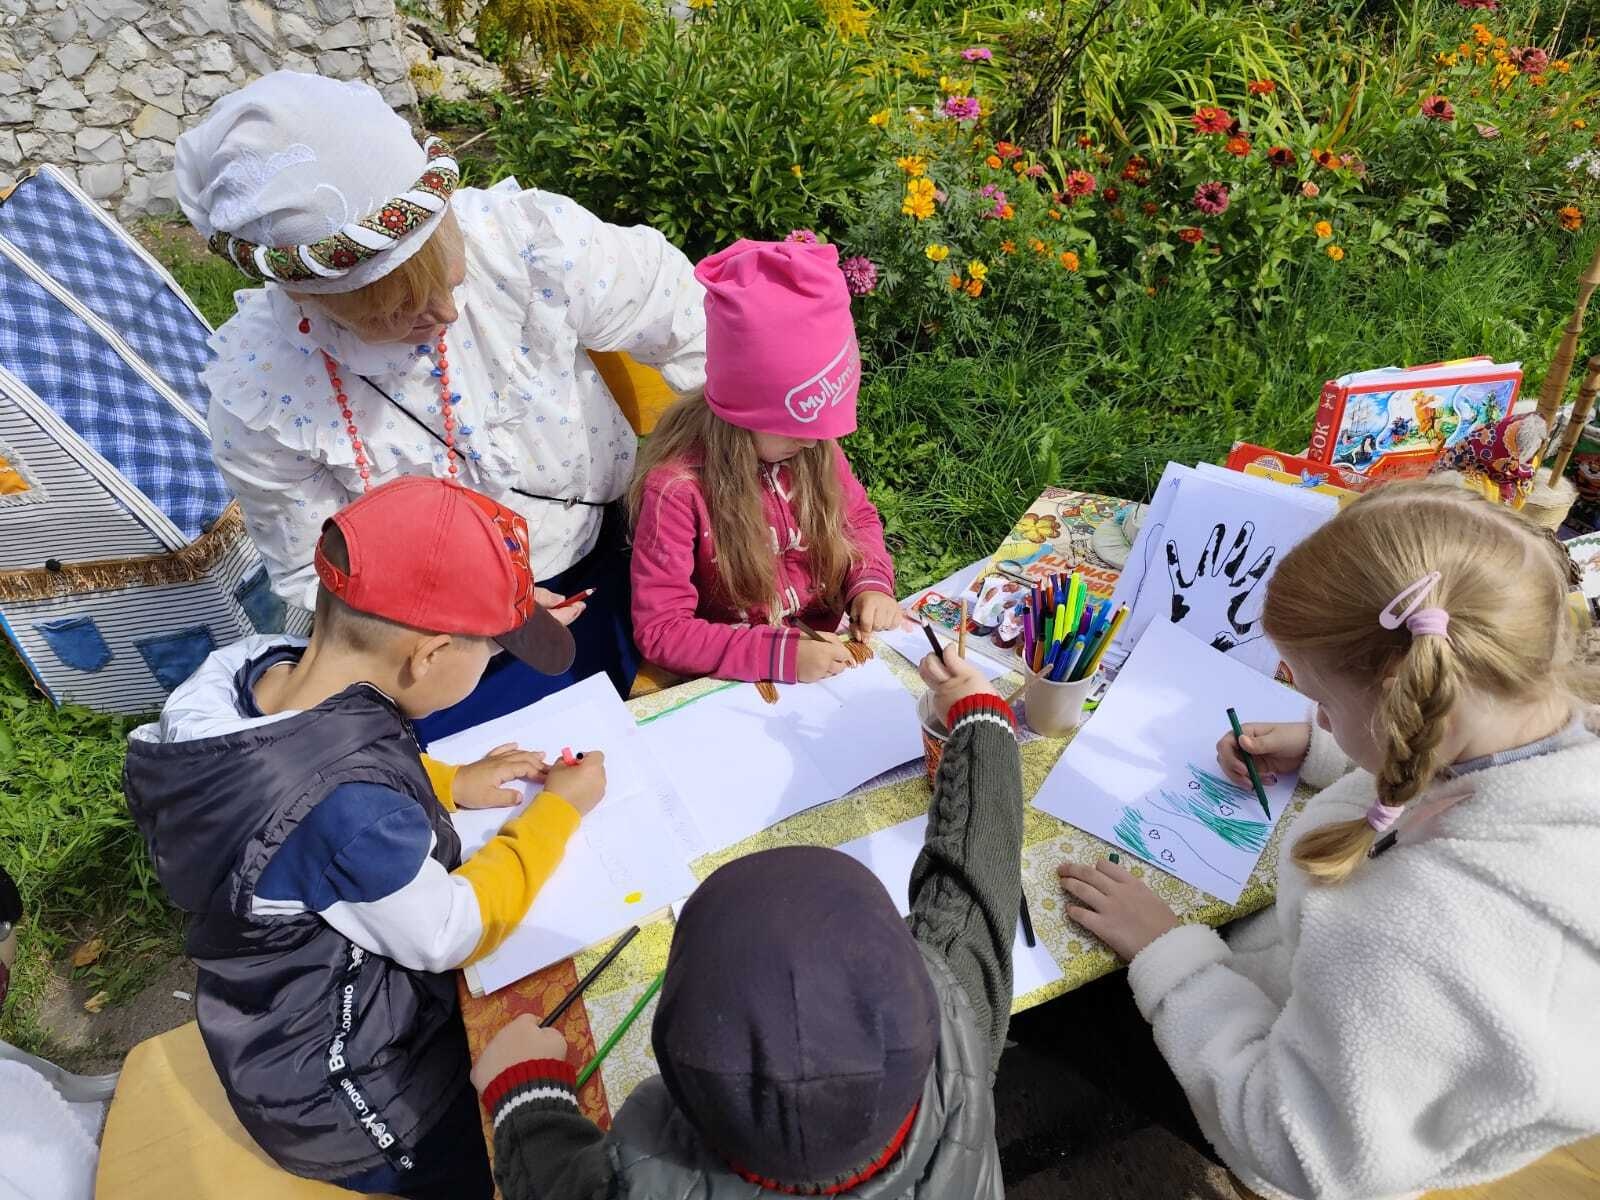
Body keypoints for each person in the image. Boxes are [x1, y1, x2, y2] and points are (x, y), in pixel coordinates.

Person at [1055, 482, 1600, 1198]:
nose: (1315, 710)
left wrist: (1171, 958)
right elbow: (1464, 760)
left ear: (1405, 693)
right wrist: (1326, 749)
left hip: (1323, 1116)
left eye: (1323, 700)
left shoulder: (1413, 930)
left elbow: (1293, 1146)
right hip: (1378, 1039)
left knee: (1070, 1003)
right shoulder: (1551, 729)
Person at [174, 72, 707, 742]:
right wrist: (467, 618)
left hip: (631, 544)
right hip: (443, 641)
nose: (447, 314)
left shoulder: (527, 243)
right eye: (397, 314)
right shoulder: (264, 393)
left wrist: (717, 488)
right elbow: (317, 573)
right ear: (311, 300)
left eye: (449, 275)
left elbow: (696, 327)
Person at [122, 478, 609, 1200]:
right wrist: (557, 813)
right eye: (489, 652)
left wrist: (446, 782)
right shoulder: (346, 813)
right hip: (352, 1100)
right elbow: (450, 930)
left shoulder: (254, 670)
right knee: (483, 1161)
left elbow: (336, 747)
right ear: (429, 656)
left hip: (267, 1022)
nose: (488, 666)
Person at [467, 651, 1022, 1198]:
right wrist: (977, 715)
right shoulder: (959, 1025)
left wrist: (527, 1094)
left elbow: (550, 1180)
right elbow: (978, 866)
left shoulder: (637, 1181)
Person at [628, 239, 900, 684]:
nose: (814, 444)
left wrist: (870, 583)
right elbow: (662, 631)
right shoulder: (678, 490)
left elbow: (858, 522)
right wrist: (781, 656)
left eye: (821, 429)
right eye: (798, 428)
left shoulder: (812, 447)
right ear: (742, 414)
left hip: (830, 660)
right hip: (746, 680)